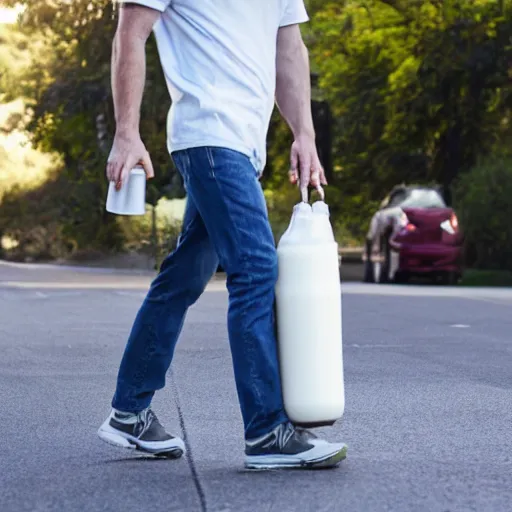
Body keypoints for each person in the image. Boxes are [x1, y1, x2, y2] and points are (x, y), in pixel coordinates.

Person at [98, 0, 347, 470]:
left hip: (243, 146)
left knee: (184, 277)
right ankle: (267, 430)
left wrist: (305, 134)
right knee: (255, 269)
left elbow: (288, 48)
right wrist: (126, 133)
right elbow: (129, 34)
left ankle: (128, 411)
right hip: (209, 135)